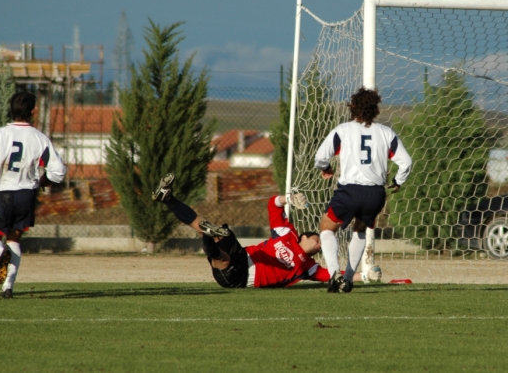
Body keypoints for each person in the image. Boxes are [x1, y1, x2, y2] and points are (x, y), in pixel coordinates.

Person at [152, 173, 372, 288]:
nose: (320, 242)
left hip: (240, 277)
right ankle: (168, 198)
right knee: (210, 229)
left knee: (221, 256)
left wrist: (366, 276)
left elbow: (336, 275)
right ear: (303, 235)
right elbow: (272, 204)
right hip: (244, 255)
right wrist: (288, 199)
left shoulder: (309, 268)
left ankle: (210, 239)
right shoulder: (287, 232)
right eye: (317, 237)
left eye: (321, 244)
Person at [314, 87, 412, 293]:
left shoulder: (343, 130)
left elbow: (320, 157)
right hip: (375, 194)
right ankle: (348, 278)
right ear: (375, 109)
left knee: (326, 228)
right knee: (359, 230)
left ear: (353, 107)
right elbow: (406, 162)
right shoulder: (386, 133)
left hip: (350, 191)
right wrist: (397, 181)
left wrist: (326, 168)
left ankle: (334, 274)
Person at [0, 91, 67, 298]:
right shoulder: (40, 138)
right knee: (14, 239)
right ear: (33, 112)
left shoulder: (0, 134)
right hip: (26, 195)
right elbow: (58, 171)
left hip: (1, 194)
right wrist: (45, 180)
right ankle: (8, 287)